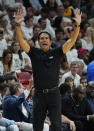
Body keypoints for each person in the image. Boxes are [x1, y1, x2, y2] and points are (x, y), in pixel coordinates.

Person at [15, 7, 81, 131]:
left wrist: (77, 25)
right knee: (37, 126)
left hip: (54, 93)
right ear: (38, 42)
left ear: (50, 42)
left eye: (46, 38)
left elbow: (71, 41)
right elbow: (21, 41)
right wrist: (18, 25)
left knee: (56, 125)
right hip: (39, 94)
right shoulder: (34, 52)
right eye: (41, 39)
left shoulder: (57, 52)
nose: (44, 40)